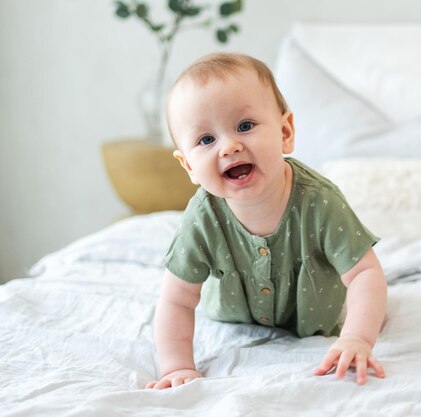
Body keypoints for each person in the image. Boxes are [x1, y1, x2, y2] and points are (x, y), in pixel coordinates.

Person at [145, 53, 387, 389]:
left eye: (245, 126)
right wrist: (176, 367)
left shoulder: (319, 202)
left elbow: (364, 273)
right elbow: (177, 299)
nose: (229, 147)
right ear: (188, 167)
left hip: (318, 322)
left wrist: (358, 338)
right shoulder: (203, 216)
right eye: (206, 140)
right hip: (231, 318)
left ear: (285, 132)